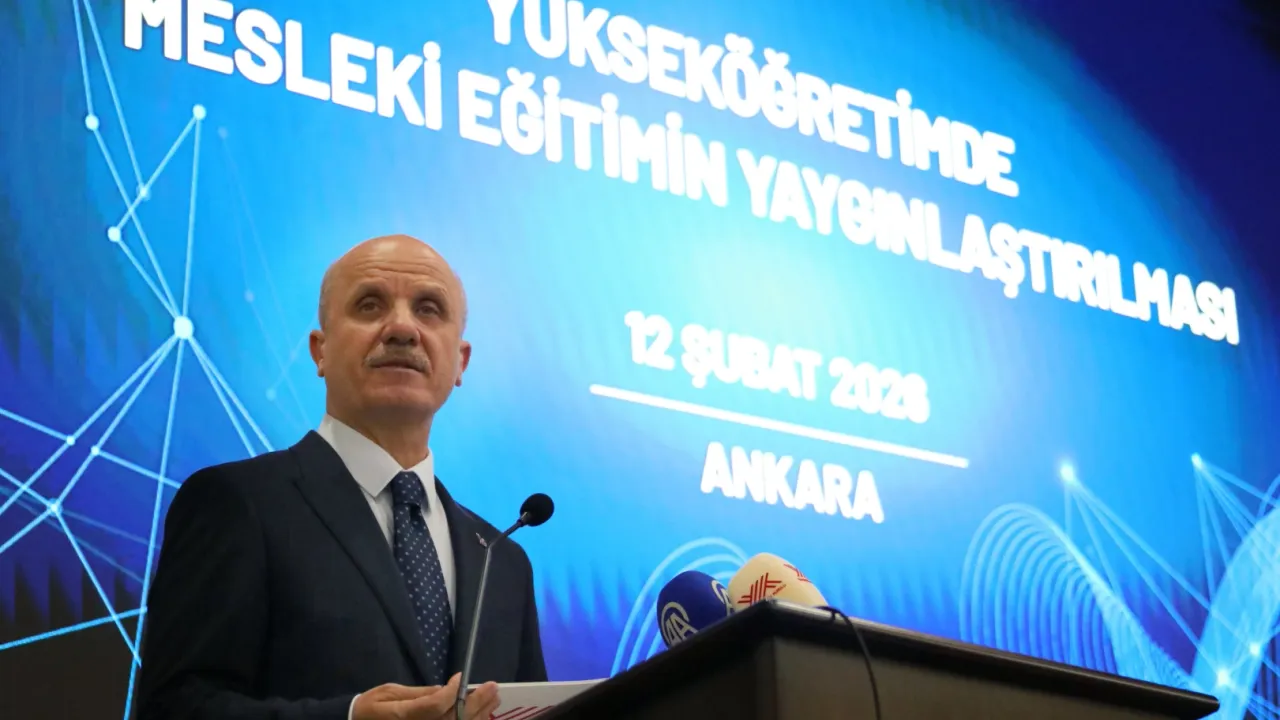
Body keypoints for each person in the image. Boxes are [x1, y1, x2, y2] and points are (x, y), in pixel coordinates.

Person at [135, 234, 547, 719]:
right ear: (320, 350)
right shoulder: (237, 504)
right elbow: (172, 707)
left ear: (461, 361)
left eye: (429, 309)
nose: (402, 328)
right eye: (370, 305)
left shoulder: (503, 560)